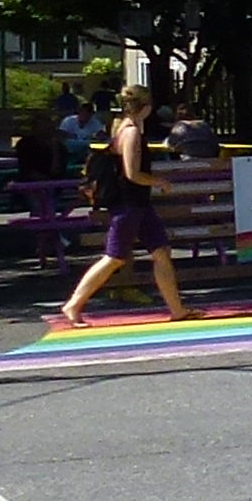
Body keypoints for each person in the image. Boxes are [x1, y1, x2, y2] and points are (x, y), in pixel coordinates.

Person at [55, 87, 192, 327]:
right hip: (128, 204)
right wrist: (158, 182)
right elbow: (132, 173)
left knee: (161, 252)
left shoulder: (124, 128)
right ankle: (73, 304)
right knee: (114, 258)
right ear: (146, 108)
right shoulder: (131, 133)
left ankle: (177, 309)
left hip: (140, 204)